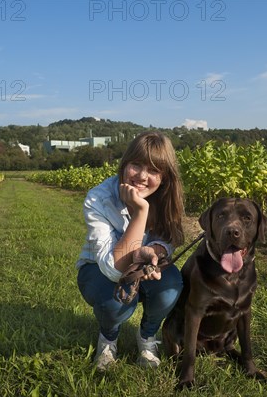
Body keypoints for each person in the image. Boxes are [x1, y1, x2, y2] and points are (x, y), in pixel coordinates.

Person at [76, 131, 185, 371]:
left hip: (145, 263)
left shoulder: (166, 197)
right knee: (115, 301)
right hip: (97, 269)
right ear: (124, 164)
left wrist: (153, 252)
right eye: (136, 165)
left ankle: (147, 337)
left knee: (170, 286)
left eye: (154, 170)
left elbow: (168, 240)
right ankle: (108, 337)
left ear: (165, 177)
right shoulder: (98, 199)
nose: (142, 176)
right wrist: (140, 213)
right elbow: (113, 270)